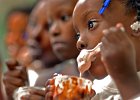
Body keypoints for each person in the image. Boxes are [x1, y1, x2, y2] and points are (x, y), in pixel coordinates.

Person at [46, 0, 140, 100]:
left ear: (137, 26)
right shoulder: (97, 92)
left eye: (91, 24)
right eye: (78, 35)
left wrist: (125, 78)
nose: (79, 42)